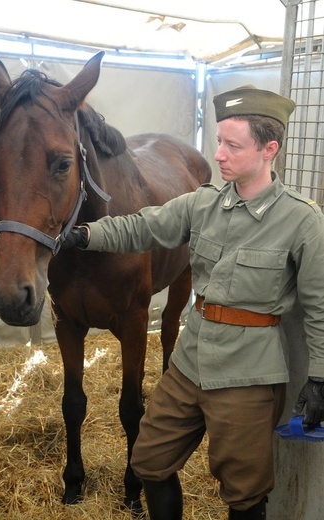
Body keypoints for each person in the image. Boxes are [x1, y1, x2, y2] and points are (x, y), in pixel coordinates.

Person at [62, 85, 324, 519]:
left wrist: (319, 376)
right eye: (218, 141)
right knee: (148, 461)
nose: (218, 154)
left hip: (248, 375)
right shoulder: (203, 203)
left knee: (244, 492)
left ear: (269, 149)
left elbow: (319, 306)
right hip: (189, 363)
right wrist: (84, 235)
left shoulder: (301, 220)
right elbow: (140, 227)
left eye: (232, 145)